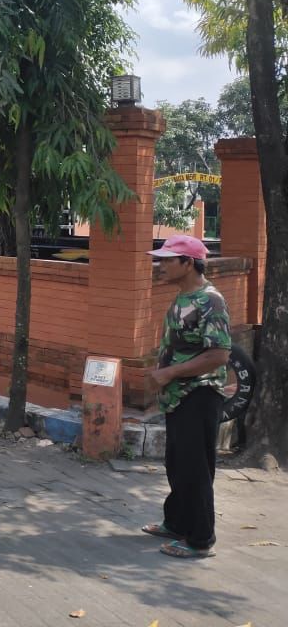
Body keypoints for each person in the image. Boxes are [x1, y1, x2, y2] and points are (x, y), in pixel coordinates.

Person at [141, 234, 231, 559]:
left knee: (195, 468)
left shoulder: (211, 302)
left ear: (188, 263)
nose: (160, 265)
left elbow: (219, 355)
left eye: (167, 260)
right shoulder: (182, 298)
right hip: (178, 396)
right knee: (177, 464)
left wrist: (170, 373)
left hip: (200, 394)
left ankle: (200, 540)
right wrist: (163, 375)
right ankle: (177, 522)